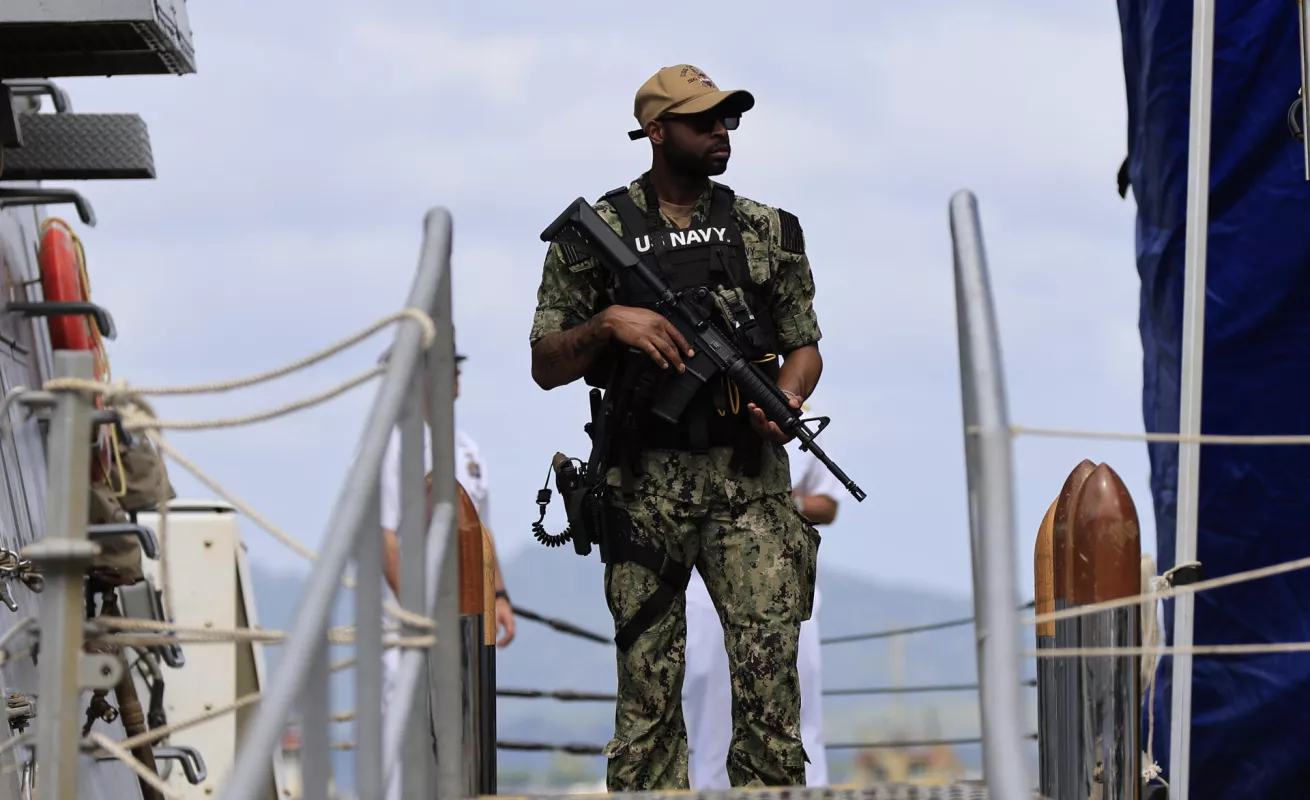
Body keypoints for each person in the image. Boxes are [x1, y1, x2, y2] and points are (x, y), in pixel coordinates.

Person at [528, 64, 825, 791]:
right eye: (703, 121)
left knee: (768, 694)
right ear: (657, 132)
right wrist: (609, 323)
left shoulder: (767, 230)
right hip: (643, 489)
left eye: (727, 119)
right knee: (649, 698)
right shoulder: (596, 235)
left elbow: (805, 345)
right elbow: (545, 363)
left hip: (749, 486)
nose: (721, 131)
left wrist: (783, 399)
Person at [684, 432, 843, 790]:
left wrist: (779, 502)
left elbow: (828, 503)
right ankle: (712, 789)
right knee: (709, 699)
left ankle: (806, 789)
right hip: (704, 585)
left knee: (792, 700)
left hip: (782, 581)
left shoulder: (794, 416)